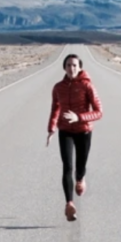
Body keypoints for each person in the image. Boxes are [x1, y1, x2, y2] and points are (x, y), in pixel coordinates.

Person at [46, 53, 103, 221]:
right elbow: (55, 109)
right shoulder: (58, 87)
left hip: (84, 130)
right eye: (69, 65)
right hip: (65, 131)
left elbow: (99, 112)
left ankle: (80, 178)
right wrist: (51, 129)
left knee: (80, 166)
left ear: (80, 68)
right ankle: (69, 203)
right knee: (67, 166)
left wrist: (79, 117)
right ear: (64, 67)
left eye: (75, 65)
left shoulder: (87, 86)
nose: (71, 68)